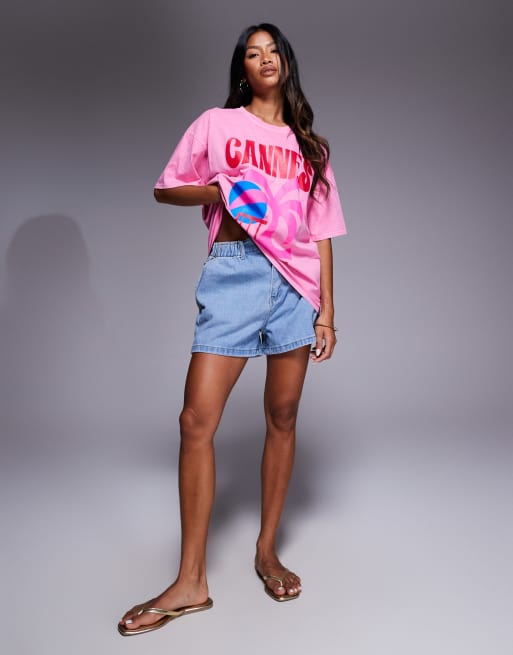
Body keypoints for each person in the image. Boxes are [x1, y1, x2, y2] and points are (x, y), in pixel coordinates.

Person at [118, 22, 347, 636]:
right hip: (235, 272)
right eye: (252, 53)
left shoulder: (311, 147)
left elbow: (323, 232)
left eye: (273, 51)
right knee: (196, 421)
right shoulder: (217, 126)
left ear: (286, 64)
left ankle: (267, 550)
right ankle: (191, 581)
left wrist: (327, 309)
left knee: (283, 415)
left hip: (296, 287)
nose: (264, 59)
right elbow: (166, 189)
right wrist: (219, 188)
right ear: (242, 69)